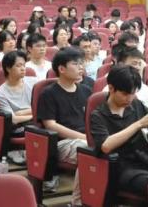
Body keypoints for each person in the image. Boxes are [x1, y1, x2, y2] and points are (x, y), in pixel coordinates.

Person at [90, 65, 148, 198]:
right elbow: (106, 146)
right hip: (122, 168)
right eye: (125, 94)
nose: (130, 99)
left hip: (145, 160)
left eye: (133, 94)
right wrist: (138, 124)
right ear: (111, 88)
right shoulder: (98, 115)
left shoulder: (136, 105)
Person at [36, 48, 91, 204]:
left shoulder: (86, 91)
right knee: (88, 152)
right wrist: (85, 138)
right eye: (76, 64)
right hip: (60, 143)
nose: (81, 67)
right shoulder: (48, 93)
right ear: (61, 69)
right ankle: (77, 203)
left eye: (81, 64)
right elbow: (50, 125)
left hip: (84, 140)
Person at [0, 50, 36, 164]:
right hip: (18, 127)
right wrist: (34, 114)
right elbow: (13, 119)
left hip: (35, 121)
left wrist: (21, 113)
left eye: (24, 65)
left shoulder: (34, 82)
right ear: (8, 68)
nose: (23, 69)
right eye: (18, 66)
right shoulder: (0, 93)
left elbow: (43, 107)